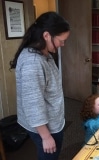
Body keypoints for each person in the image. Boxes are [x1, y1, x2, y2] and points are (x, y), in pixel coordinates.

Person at [9, 12, 70, 160]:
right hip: (45, 128)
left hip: (52, 121)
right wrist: (46, 136)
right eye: (61, 40)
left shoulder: (44, 53)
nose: (63, 44)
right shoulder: (33, 62)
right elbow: (33, 104)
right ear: (46, 35)